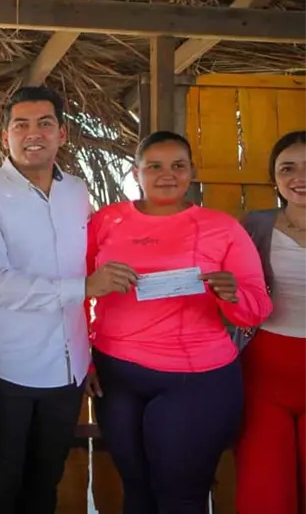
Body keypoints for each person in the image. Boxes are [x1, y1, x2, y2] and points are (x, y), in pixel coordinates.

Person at [0, 86, 135, 513]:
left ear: (61, 133)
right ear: (5, 137)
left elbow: (93, 261)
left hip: (68, 366)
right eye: (20, 125)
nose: (32, 133)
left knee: (46, 482)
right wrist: (84, 288)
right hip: (5, 366)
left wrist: (89, 355)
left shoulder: (76, 191)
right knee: (0, 485)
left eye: (44, 123)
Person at [86, 130, 272, 513]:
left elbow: (257, 307)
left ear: (192, 172)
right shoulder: (107, 221)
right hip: (116, 374)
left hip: (196, 380)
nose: (166, 174)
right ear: (136, 173)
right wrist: (84, 360)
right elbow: (78, 293)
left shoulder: (222, 228)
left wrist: (231, 295)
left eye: (178, 166)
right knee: (136, 491)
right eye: (154, 166)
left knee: (181, 497)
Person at [235, 130, 306, 514]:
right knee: (266, 487)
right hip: (264, 372)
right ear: (274, 178)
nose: (299, 177)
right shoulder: (255, 226)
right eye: (288, 168)